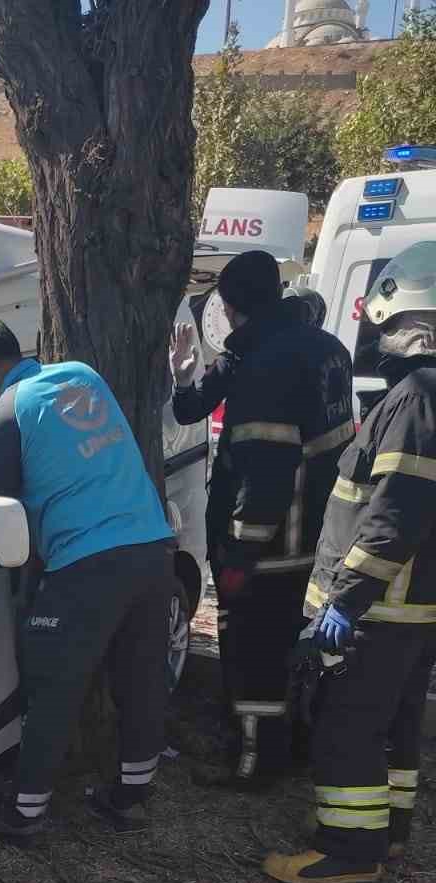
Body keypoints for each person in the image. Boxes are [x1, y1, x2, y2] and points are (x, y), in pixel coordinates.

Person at [0, 318, 175, 843]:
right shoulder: (82, 375)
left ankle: (25, 814)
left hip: (88, 564)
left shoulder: (2, 416)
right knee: (140, 679)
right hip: (151, 548)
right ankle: (131, 800)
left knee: (53, 685)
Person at [264, 240, 436, 883]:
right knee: (393, 728)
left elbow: (395, 514)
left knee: (346, 725)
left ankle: (347, 850)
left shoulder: (418, 398)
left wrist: (344, 601)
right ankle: (385, 837)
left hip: (379, 611)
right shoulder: (424, 397)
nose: (380, 336)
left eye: (387, 325)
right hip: (409, 609)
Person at [169, 251, 352, 789]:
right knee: (284, 643)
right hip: (317, 534)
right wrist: (185, 378)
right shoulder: (322, 348)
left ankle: (256, 761)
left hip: (272, 544)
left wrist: (238, 557)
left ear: (227, 306)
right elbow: (191, 409)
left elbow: (265, 476)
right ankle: (291, 740)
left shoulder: (267, 366)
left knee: (253, 650)